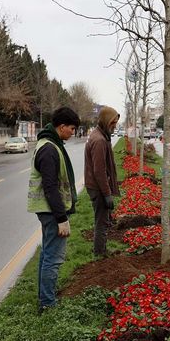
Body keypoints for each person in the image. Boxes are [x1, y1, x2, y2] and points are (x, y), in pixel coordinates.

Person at [28, 106, 81, 313]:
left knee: (46, 254)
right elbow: (50, 187)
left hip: (47, 211)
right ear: (61, 127)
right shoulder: (49, 148)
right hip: (51, 212)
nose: (73, 132)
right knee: (53, 257)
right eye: (72, 128)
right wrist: (62, 218)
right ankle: (47, 304)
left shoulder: (49, 143)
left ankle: (44, 298)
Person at [85, 106, 121, 258]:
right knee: (102, 223)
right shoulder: (99, 140)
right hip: (98, 188)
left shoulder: (100, 135)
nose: (115, 127)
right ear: (106, 122)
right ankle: (100, 253)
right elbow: (99, 171)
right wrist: (107, 194)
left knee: (104, 220)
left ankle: (101, 250)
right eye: (113, 123)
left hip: (97, 187)